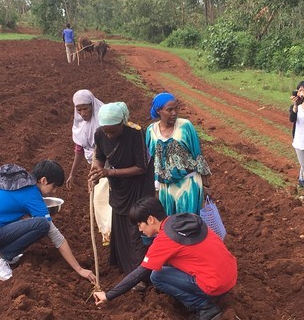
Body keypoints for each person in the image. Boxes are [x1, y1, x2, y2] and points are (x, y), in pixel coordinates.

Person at [93, 197, 237, 320]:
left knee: (157, 276)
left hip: (215, 285)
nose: (139, 229)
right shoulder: (183, 220)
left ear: (150, 220)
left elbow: (140, 273)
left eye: (139, 224)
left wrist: (108, 295)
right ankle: (210, 295)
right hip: (230, 276)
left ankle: (205, 307)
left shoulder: (165, 239)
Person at [0, 160, 96, 283]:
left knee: (15, 217)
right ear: (43, 180)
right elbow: (54, 235)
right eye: (54, 187)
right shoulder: (32, 195)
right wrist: (79, 269)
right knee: (41, 225)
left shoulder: (13, 178)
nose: (53, 191)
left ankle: (4, 253)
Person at [88, 102, 155, 274]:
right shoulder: (100, 134)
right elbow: (100, 157)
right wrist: (96, 171)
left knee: (136, 226)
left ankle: (139, 272)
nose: (109, 136)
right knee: (120, 222)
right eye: (106, 131)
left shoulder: (136, 133)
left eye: (114, 131)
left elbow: (142, 167)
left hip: (138, 185)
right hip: (118, 186)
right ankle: (124, 266)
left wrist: (109, 173)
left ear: (123, 123)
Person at [146, 92, 211, 216]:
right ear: (158, 111)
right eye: (169, 110)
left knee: (188, 224)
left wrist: (206, 185)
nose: (174, 113)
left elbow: (197, 155)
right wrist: (155, 184)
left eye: (176, 109)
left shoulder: (185, 126)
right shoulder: (151, 131)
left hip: (189, 183)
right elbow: (152, 159)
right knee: (169, 225)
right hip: (165, 187)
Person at [66, 89, 112, 245]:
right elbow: (79, 151)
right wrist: (72, 174)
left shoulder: (104, 119)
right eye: (79, 109)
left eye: (85, 108)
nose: (82, 113)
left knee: (107, 199)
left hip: (111, 168)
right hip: (95, 168)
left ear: (92, 105)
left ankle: (112, 231)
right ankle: (106, 233)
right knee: (99, 201)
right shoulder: (79, 125)